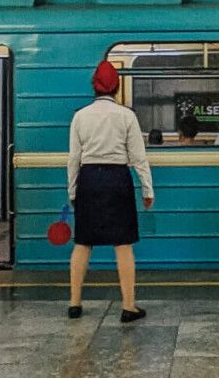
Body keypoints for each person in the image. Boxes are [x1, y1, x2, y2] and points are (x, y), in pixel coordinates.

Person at [67, 60, 153, 324]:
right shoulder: (126, 116)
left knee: (83, 243)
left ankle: (74, 303)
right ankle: (128, 306)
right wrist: (147, 189)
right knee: (123, 244)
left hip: (89, 178)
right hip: (117, 179)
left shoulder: (80, 116)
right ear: (117, 87)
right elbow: (138, 157)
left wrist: (72, 191)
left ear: (94, 86)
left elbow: (74, 159)